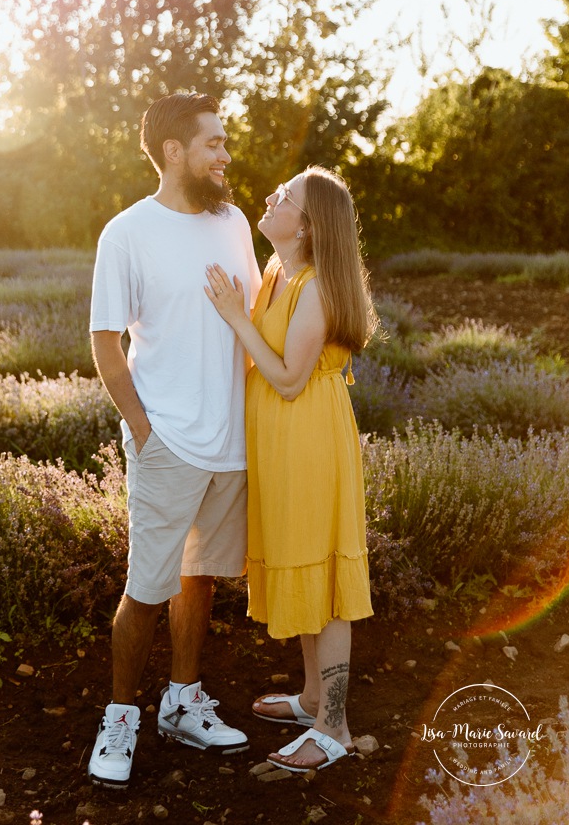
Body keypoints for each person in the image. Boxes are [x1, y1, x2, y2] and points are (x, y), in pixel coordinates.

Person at [88, 92, 261, 788]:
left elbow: (250, 317)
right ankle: (120, 718)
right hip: (166, 443)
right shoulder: (126, 233)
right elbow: (104, 338)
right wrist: (142, 429)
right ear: (173, 152)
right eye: (214, 143)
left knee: (201, 578)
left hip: (229, 442)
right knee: (147, 588)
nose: (226, 155)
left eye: (224, 143)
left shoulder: (234, 223)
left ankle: (183, 703)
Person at [204, 165, 377, 773]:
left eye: (285, 197)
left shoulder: (319, 286)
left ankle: (333, 726)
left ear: (307, 226)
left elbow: (287, 378)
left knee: (323, 574)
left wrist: (235, 316)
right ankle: (309, 699)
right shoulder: (278, 271)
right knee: (303, 561)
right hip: (279, 442)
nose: (270, 197)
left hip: (309, 440)